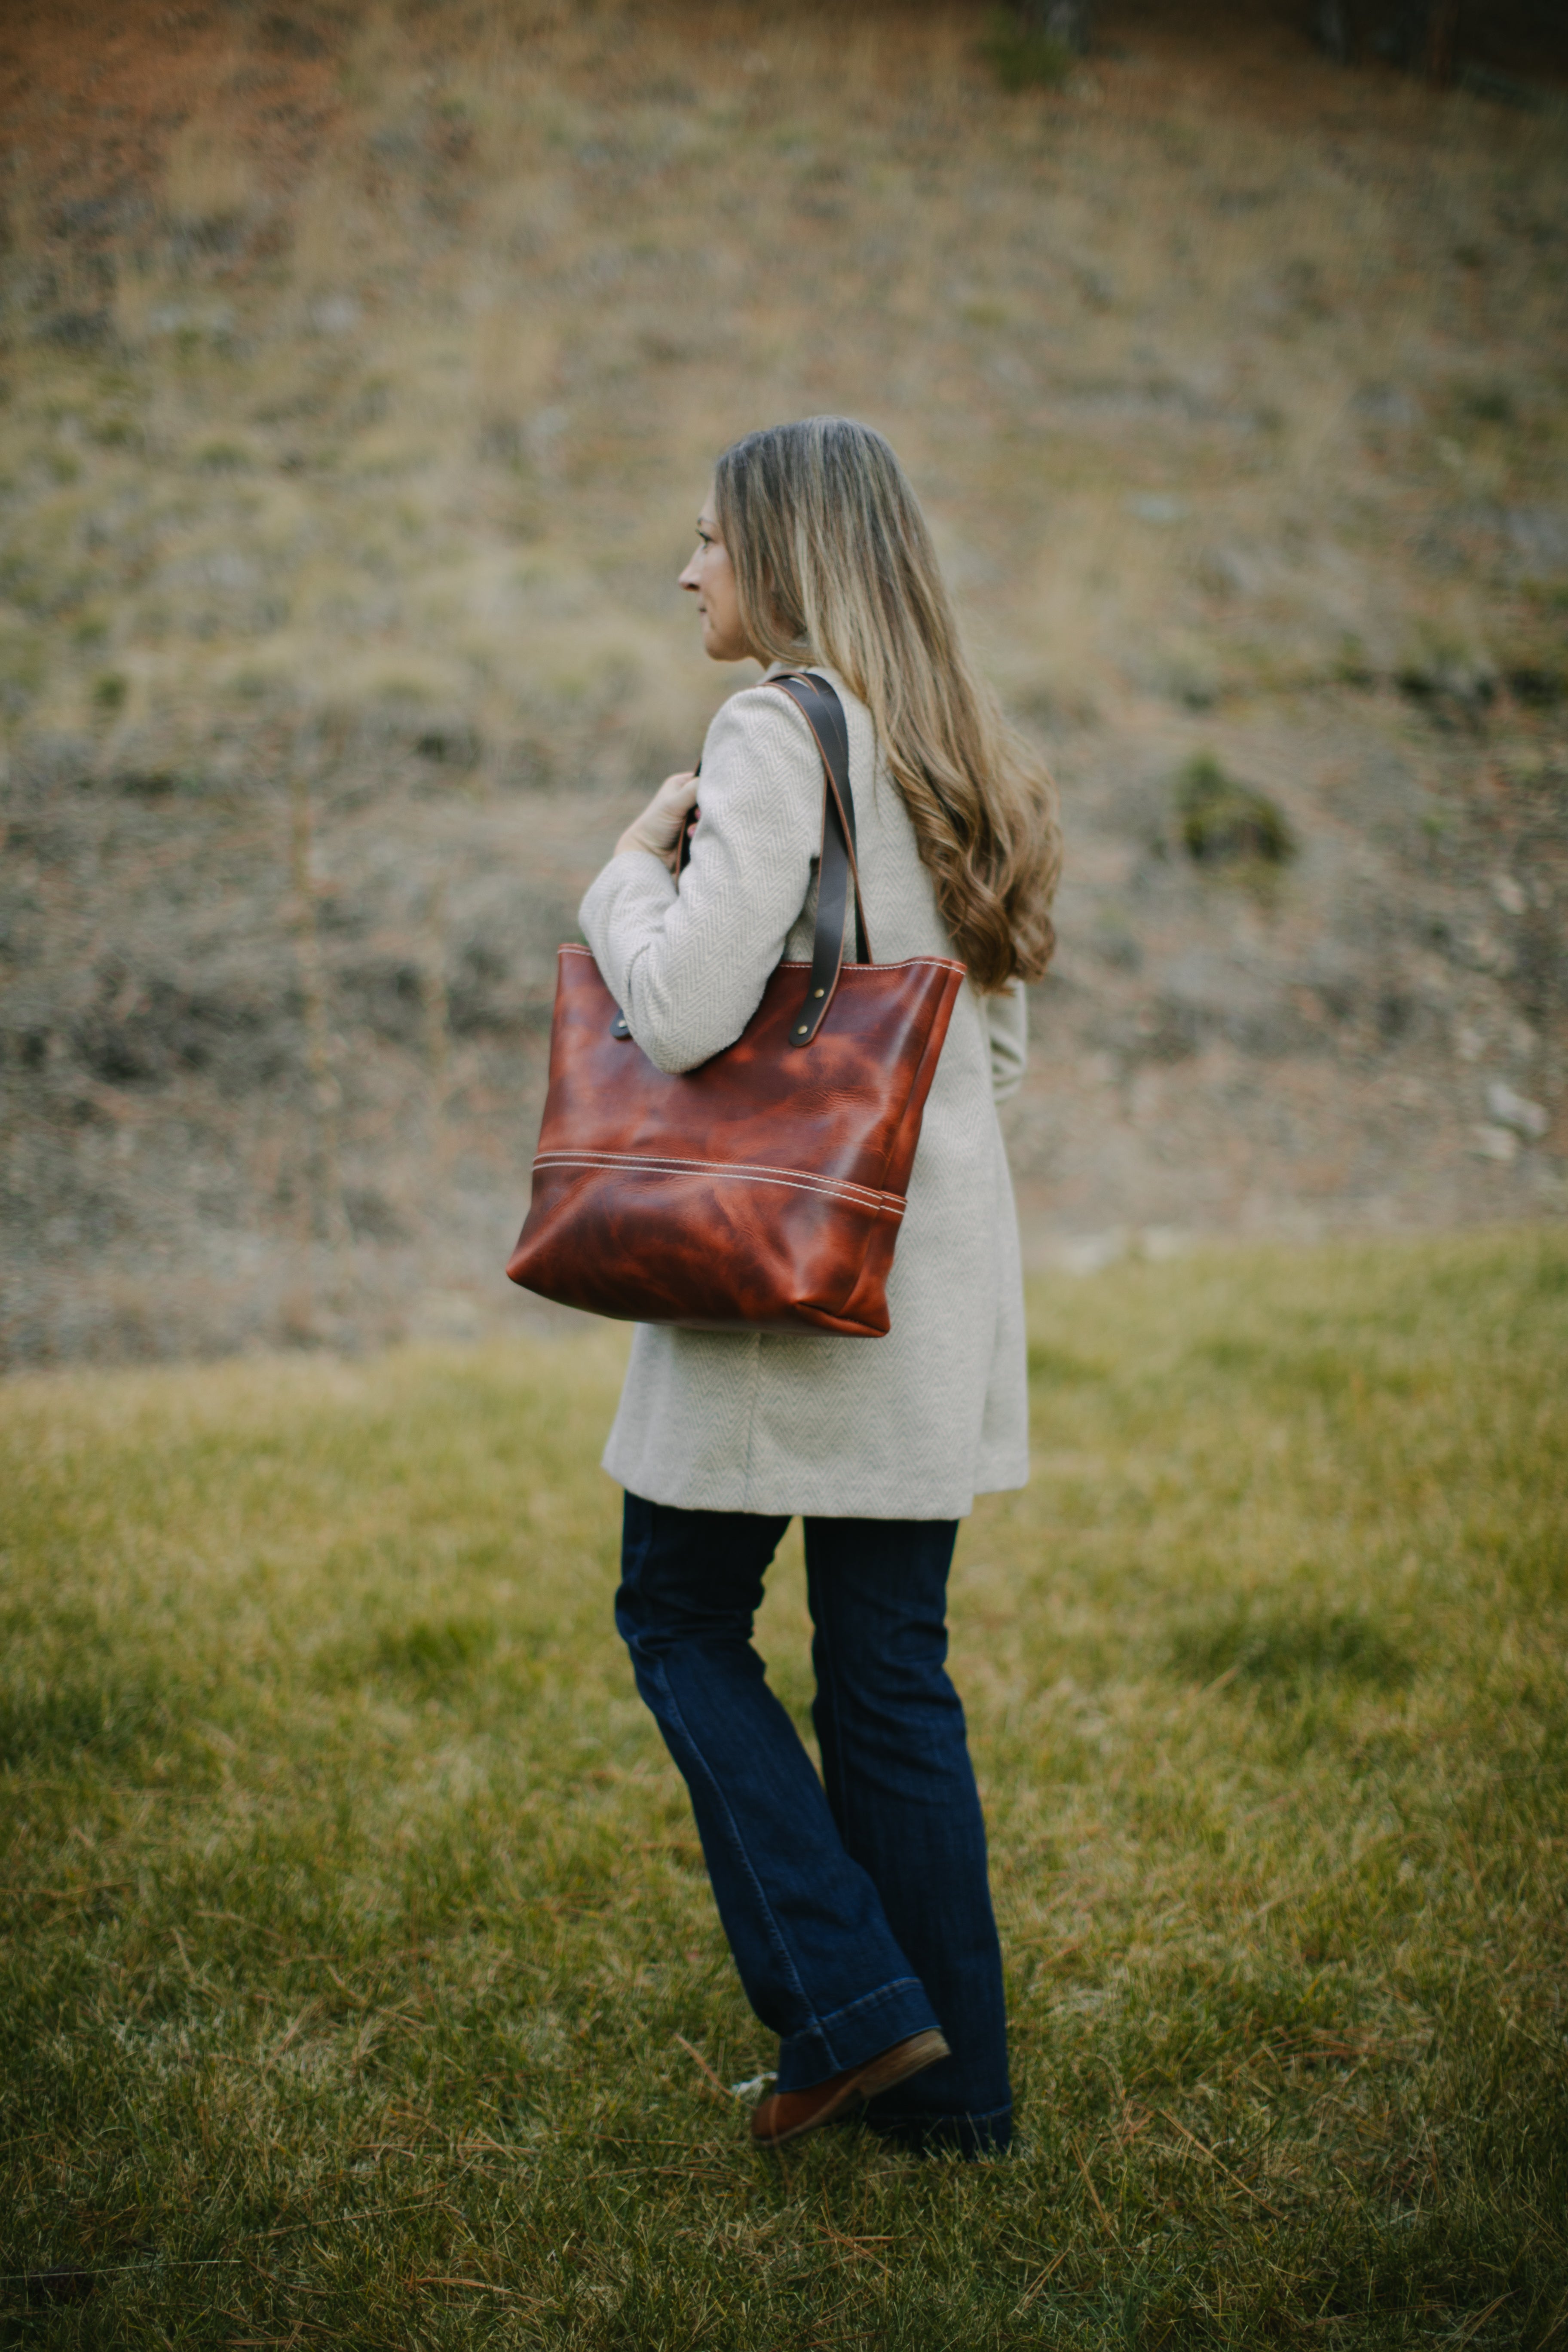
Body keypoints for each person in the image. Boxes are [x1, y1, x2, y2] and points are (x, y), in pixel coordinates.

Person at [576, 417, 1061, 2155]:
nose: (688, 568)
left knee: (681, 1615)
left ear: (778, 555)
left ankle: (853, 2011)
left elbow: (693, 1009)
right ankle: (958, 2103)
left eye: (708, 537)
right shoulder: (947, 739)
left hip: (780, 1289)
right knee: (888, 1675)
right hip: (918, 1289)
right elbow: (990, 1053)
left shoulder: (771, 727)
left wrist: (630, 870)